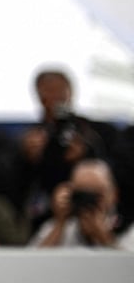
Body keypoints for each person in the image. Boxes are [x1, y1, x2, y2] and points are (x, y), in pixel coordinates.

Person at [17, 68, 117, 233]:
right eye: (49, 92)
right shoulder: (32, 137)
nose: (56, 98)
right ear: (39, 97)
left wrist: (86, 154)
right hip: (48, 208)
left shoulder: (93, 132)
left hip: (94, 204)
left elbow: (111, 167)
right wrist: (27, 157)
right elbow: (22, 183)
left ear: (70, 92)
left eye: (60, 91)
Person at [29, 159, 133, 249]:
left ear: (114, 194)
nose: (88, 201)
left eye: (97, 194)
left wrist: (104, 237)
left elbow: (127, 268)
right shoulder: (58, 227)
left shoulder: (129, 229)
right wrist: (59, 223)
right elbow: (31, 265)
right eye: (81, 194)